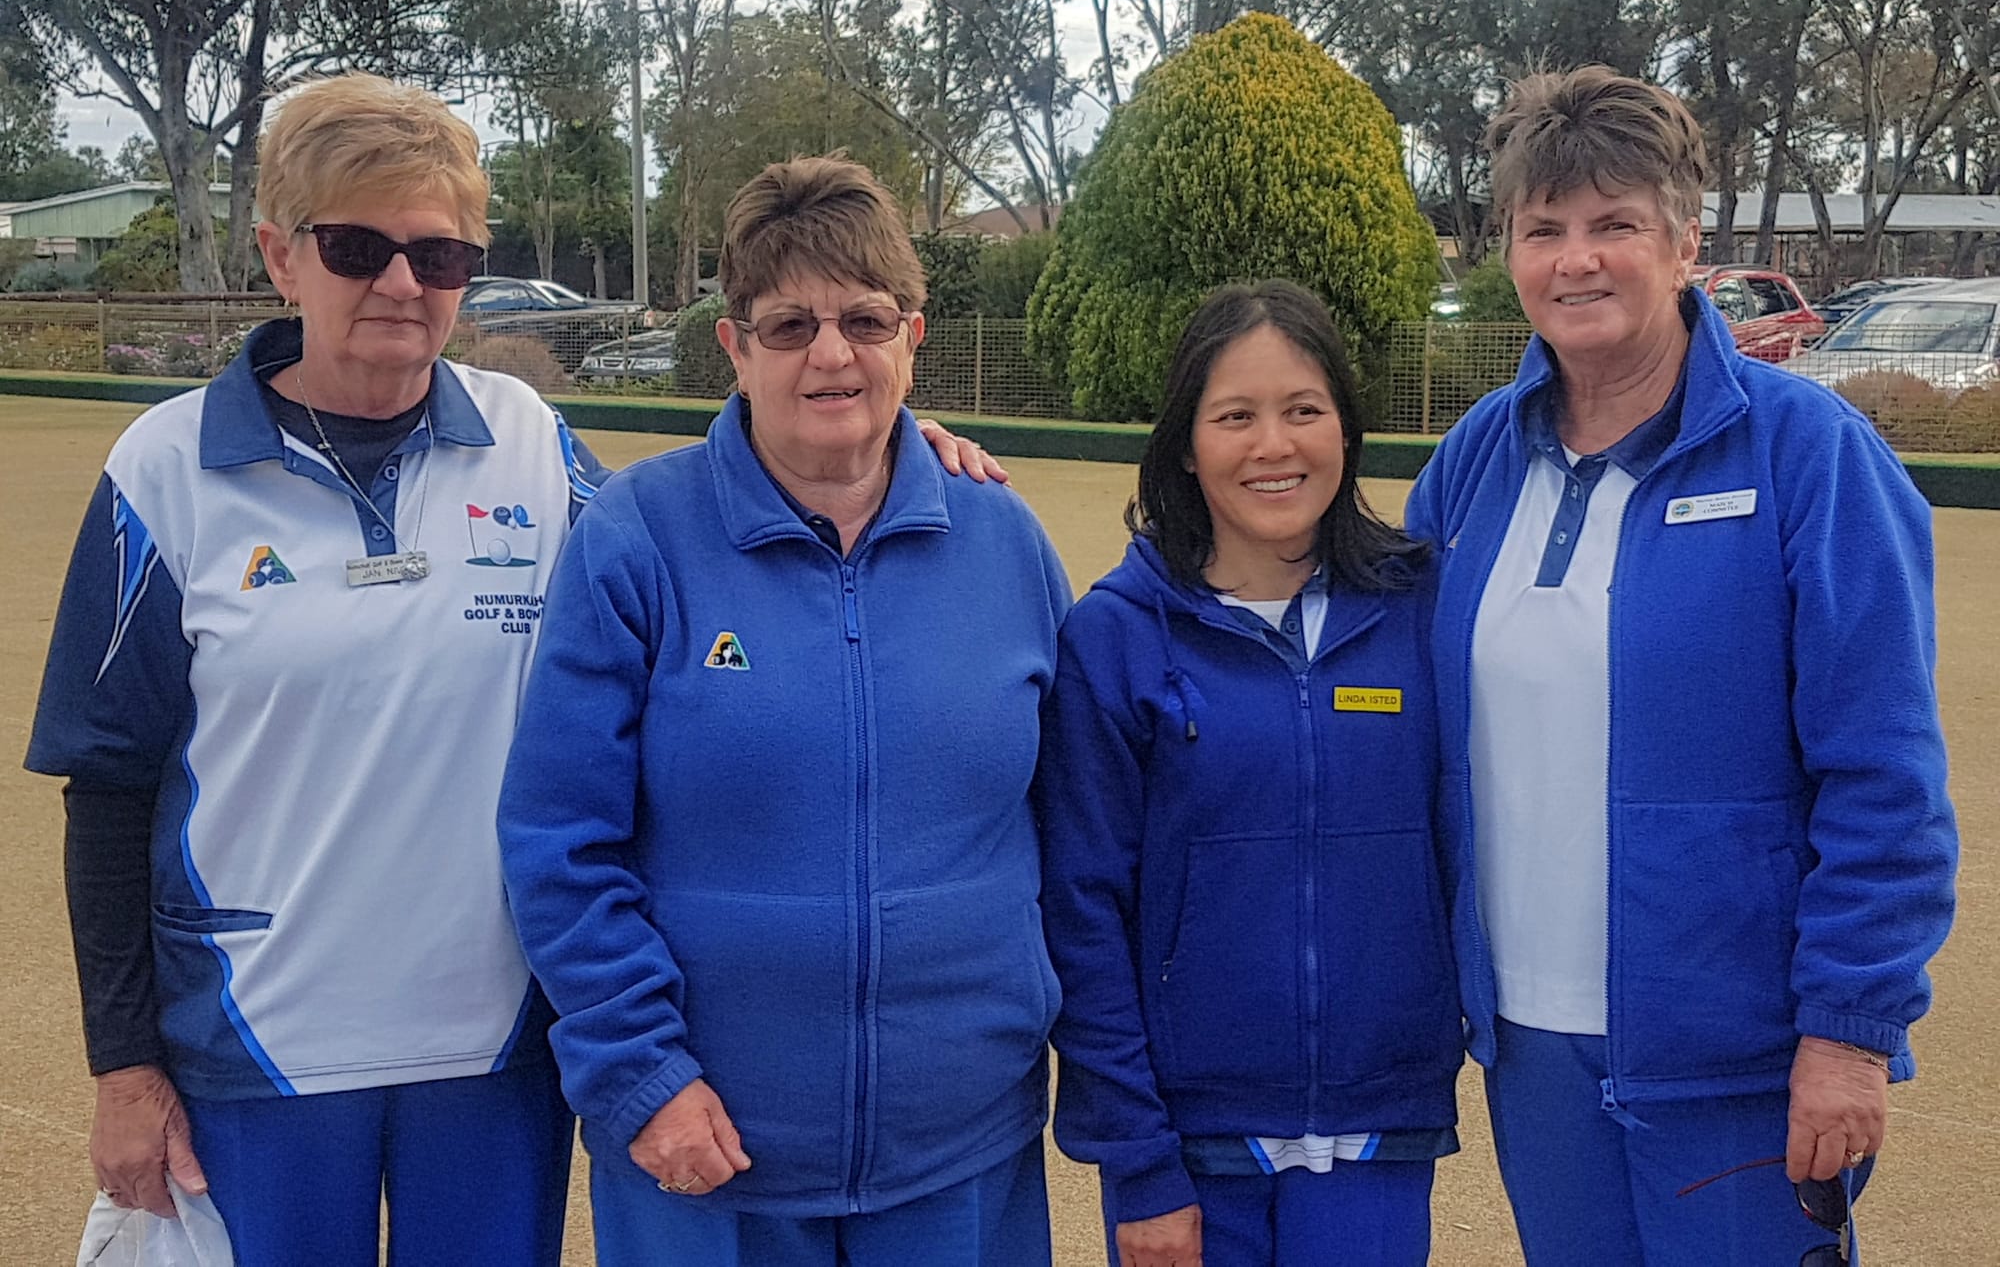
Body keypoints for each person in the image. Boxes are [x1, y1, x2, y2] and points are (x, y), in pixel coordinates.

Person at [23, 78, 1001, 1265]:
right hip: (256, 1046)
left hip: (492, 1050)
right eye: (356, 246)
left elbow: (730, 504)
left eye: (438, 254)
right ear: (281, 256)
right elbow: (109, 790)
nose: (399, 282)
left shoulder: (533, 442)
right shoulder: (161, 470)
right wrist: (125, 1066)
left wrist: (899, 439)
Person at [1403, 66, 1958, 1264]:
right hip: (1527, 1040)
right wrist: (912, 445)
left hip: (1739, 1057)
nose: (1574, 259)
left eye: (1612, 225)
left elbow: (1885, 775)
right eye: (1541, 229)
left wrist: (1850, 1033)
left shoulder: (1810, 455)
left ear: (1683, 238)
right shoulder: (1471, 464)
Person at [497, 155, 1072, 1267]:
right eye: (788, 324)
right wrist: (641, 1077)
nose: (829, 352)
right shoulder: (636, 537)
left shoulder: (1005, 542)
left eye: (864, 319)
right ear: (733, 346)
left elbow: (1079, 831)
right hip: (707, 1161)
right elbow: (559, 841)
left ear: (913, 334)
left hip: (960, 1154)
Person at [1037, 281, 1461, 1267]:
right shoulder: (1111, 638)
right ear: (1186, 444)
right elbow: (1081, 910)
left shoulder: (1421, 613)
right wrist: (1136, 1160)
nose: (1273, 446)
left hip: (1378, 1132)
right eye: (1234, 416)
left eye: (1303, 411)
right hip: (1187, 1155)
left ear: (1346, 433)